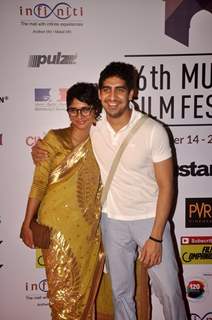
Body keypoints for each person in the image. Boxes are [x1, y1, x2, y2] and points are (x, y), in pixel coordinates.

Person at [32, 62, 188, 320]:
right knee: (120, 293)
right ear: (100, 93)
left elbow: (167, 186)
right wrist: (39, 151)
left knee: (169, 292)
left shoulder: (153, 131)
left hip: (149, 220)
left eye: (119, 90)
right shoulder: (95, 126)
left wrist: (157, 236)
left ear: (132, 93)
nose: (112, 97)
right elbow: (66, 141)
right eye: (106, 90)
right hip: (112, 222)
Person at [21, 82, 104, 320]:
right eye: (73, 110)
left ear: (95, 110)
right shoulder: (54, 139)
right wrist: (27, 222)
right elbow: (38, 183)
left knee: (84, 294)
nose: (79, 116)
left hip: (88, 230)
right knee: (61, 296)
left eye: (85, 109)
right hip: (56, 227)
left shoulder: (104, 141)